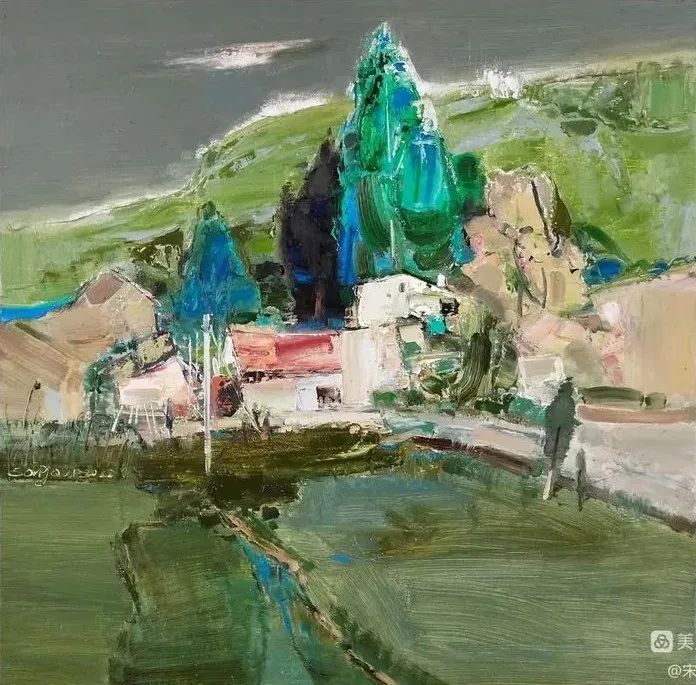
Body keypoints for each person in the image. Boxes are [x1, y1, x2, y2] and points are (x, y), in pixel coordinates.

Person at [542, 377, 577, 501]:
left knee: (552, 461)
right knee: (556, 461)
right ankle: (549, 488)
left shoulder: (556, 400)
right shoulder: (570, 402)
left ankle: (548, 489)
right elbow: (568, 419)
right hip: (561, 435)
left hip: (555, 434)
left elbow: (549, 416)